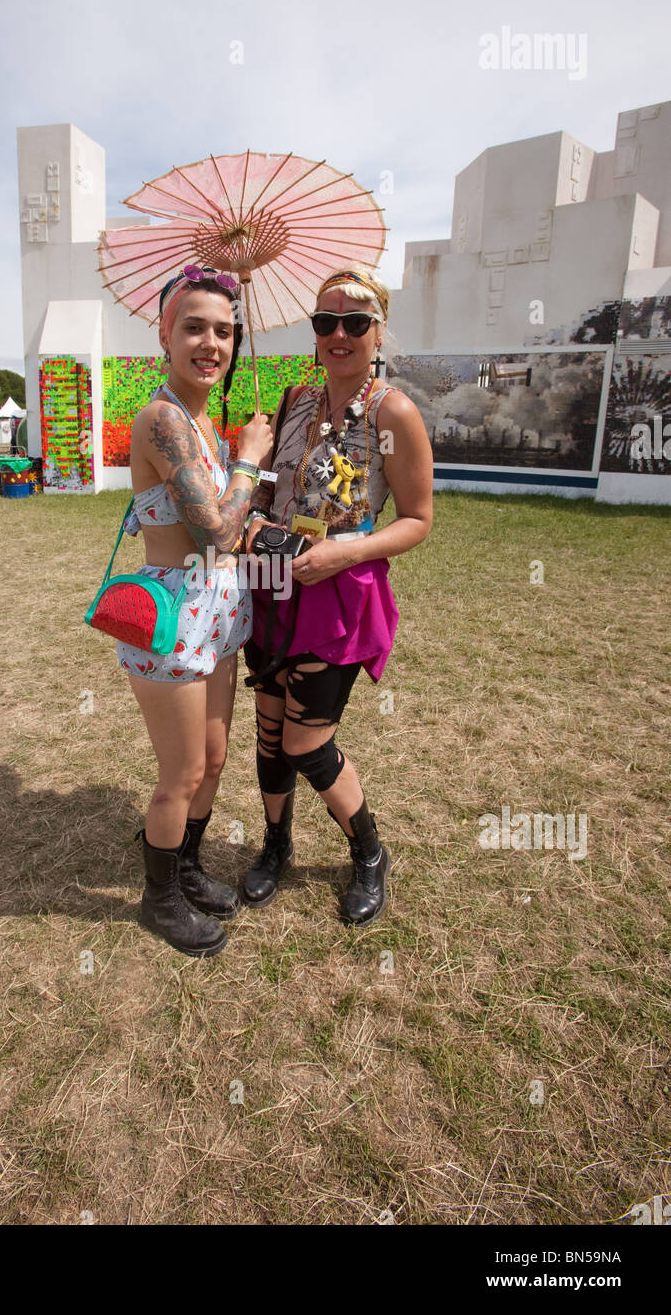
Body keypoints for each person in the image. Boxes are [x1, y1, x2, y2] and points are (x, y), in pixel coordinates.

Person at [241, 265, 433, 926]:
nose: (340, 333)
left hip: (336, 592)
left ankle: (369, 853)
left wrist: (345, 549)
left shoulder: (393, 412)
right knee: (269, 730)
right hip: (271, 584)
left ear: (378, 331)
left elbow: (418, 519)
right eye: (326, 322)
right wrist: (252, 514)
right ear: (315, 333)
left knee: (306, 743)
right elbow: (265, 493)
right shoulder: (292, 399)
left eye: (355, 321)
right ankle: (275, 844)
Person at [117, 265, 273, 957]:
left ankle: (185, 869)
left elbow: (237, 529)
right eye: (195, 327)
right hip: (173, 615)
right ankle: (159, 901)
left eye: (225, 331)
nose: (212, 343)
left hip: (218, 610)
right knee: (180, 774)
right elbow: (215, 531)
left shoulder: (206, 422)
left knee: (213, 757)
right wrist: (250, 463)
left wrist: (246, 467)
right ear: (165, 335)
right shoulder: (161, 420)